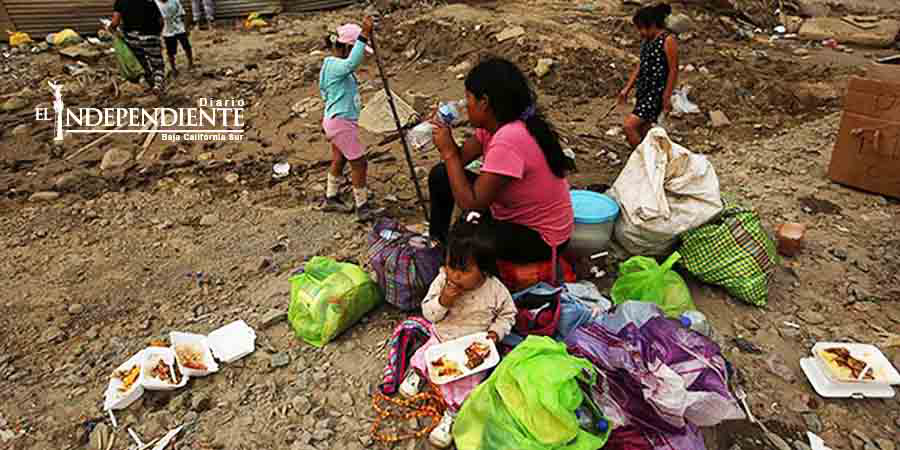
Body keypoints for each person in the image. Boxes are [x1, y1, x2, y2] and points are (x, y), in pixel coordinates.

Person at [428, 58, 574, 264]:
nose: (464, 105)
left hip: (542, 239)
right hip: (512, 217)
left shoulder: (510, 138)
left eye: (467, 98)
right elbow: (458, 163)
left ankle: (468, 273)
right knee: (441, 174)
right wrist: (447, 142)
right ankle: (436, 246)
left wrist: (449, 153)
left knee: (465, 236)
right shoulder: (494, 127)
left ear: (484, 102)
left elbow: (471, 203)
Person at [401, 212, 516, 448]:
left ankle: (452, 416)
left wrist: (495, 333)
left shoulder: (496, 291)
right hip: (443, 337)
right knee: (424, 356)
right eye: (451, 265)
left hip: (471, 347)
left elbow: (508, 315)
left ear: (484, 270)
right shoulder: (443, 280)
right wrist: (443, 301)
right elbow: (428, 313)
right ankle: (417, 374)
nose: (454, 274)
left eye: (463, 270)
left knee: (470, 384)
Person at [318, 17, 383, 222]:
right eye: (359, 50)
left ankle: (331, 197)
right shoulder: (336, 66)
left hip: (336, 121)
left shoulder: (333, 66)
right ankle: (362, 207)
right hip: (341, 123)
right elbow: (352, 63)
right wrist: (364, 34)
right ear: (347, 48)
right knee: (359, 163)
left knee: (339, 159)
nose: (361, 57)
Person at [619, 3, 679, 148]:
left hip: (655, 93)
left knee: (629, 127)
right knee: (643, 129)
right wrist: (627, 88)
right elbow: (641, 65)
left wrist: (666, 96)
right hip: (644, 92)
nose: (640, 32)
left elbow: (673, 70)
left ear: (652, 24)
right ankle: (655, 159)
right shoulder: (647, 41)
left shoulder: (667, 40)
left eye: (641, 28)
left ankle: (643, 160)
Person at [108, 0, 166, 93]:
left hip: (132, 38)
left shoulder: (120, 1)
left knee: (140, 61)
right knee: (157, 63)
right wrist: (158, 33)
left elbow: (115, 22)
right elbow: (161, 21)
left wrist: (111, 28)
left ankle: (146, 82)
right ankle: (158, 85)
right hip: (151, 35)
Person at [155, 0, 193, 76]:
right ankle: (173, 68)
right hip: (166, 30)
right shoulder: (155, 3)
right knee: (170, 51)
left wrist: (186, 27)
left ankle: (191, 63)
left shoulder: (174, 1)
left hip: (179, 27)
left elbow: (183, 14)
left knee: (186, 46)